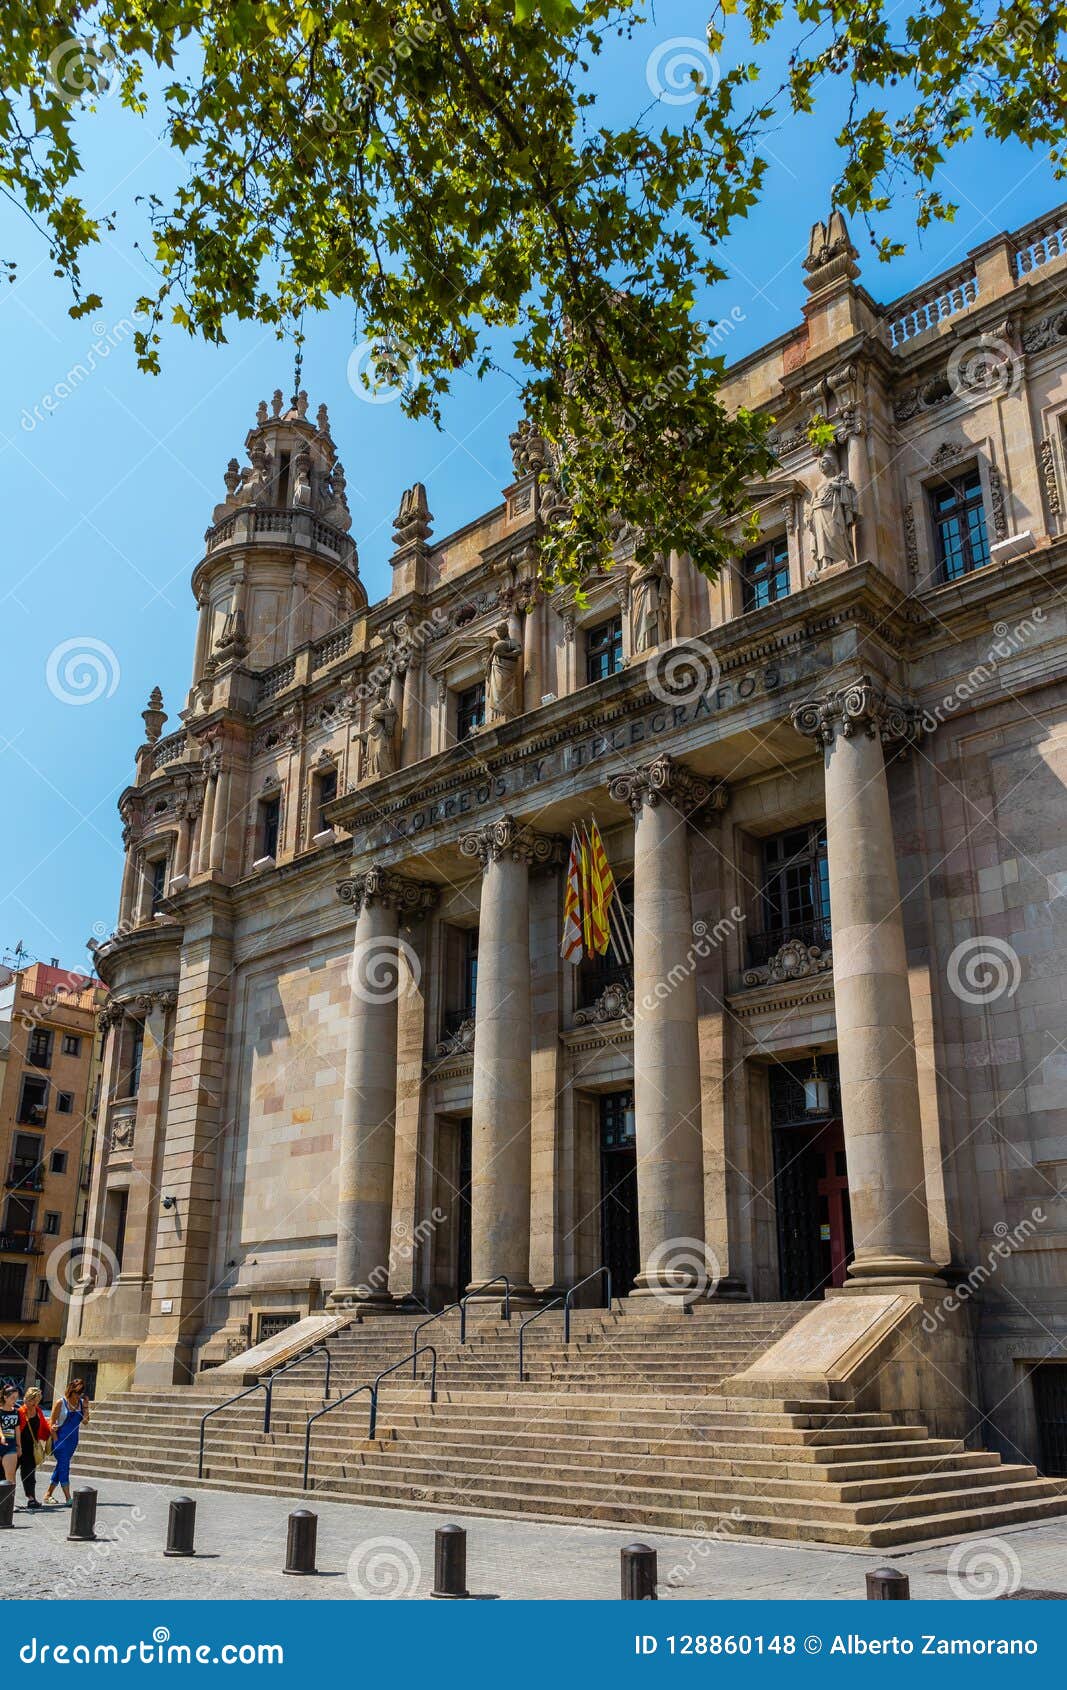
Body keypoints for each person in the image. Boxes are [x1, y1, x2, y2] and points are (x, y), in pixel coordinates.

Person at [43, 1378, 90, 1506]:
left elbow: (85, 1421)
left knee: (61, 1467)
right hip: (60, 1440)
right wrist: (55, 1438)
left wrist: (86, 1406)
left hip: (73, 1441)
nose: (78, 1396)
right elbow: (51, 1422)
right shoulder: (60, 1402)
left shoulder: (81, 1403)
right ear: (71, 1391)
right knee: (65, 1467)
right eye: (77, 1393)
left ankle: (48, 1495)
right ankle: (68, 1498)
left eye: (81, 1393)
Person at [17, 1387, 51, 1511]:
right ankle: (6, 1498)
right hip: (18, 1447)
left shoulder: (38, 1411)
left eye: (37, 1401)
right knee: (7, 1473)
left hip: (31, 1448)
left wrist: (51, 1432)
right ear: (27, 1399)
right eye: (33, 1400)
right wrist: (17, 1446)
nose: (35, 1403)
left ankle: (31, 1498)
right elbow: (16, 1430)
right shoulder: (21, 1411)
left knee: (30, 1474)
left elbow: (44, 1425)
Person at [0, 1384, 19, 1489]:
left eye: (16, 1398)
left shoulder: (16, 1412)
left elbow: (17, 1430)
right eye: (13, 1398)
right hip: (1, 1441)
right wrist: (2, 1436)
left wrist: (19, 1446)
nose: (15, 1400)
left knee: (10, 1477)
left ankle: (10, 1503)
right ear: (5, 1397)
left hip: (10, 1446)